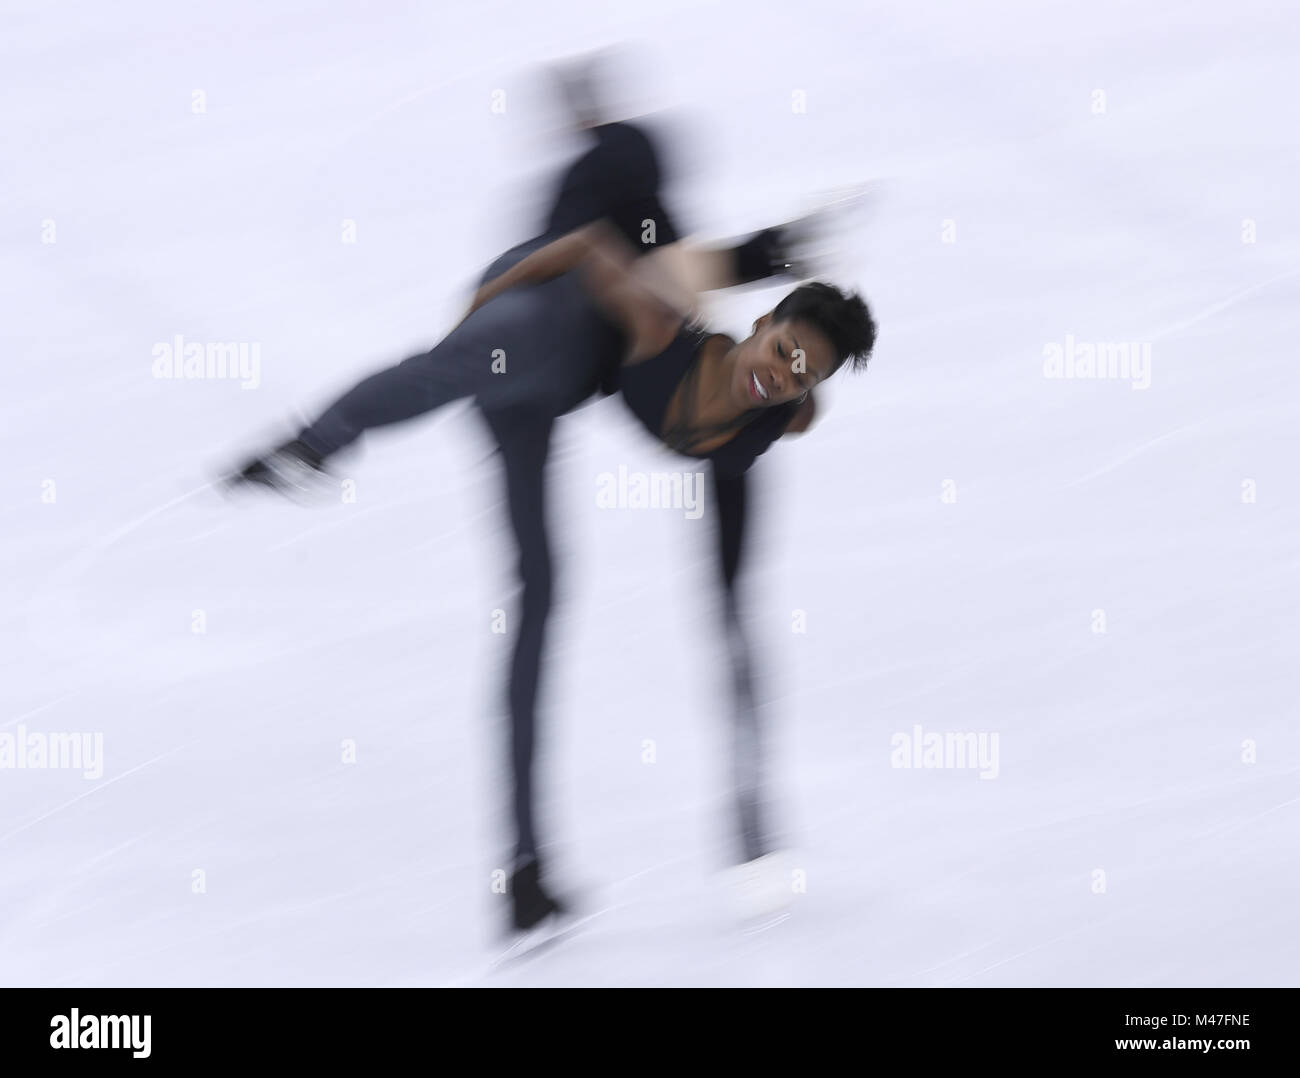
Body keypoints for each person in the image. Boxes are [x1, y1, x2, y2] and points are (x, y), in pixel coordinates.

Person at [227, 115, 875, 934]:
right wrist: (493, 292)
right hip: (541, 319)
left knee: (583, 600)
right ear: (757, 325)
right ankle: (313, 443)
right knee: (491, 347)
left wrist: (798, 309)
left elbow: (787, 372)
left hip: (568, 380)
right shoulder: (662, 320)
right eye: (781, 349)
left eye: (799, 373)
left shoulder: (784, 415)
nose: (779, 376)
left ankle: (531, 869)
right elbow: (595, 248)